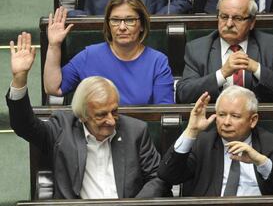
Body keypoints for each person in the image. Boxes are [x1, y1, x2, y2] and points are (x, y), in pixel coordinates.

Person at [7, 32, 171, 199]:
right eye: (101, 115)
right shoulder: (62, 128)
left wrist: (134, 205)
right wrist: (20, 79)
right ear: (82, 115)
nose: (110, 120)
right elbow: (23, 125)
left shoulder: (135, 131)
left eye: (114, 111)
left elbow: (158, 178)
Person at [158, 86, 273, 196]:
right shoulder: (202, 143)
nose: (226, 122)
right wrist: (191, 131)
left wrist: (261, 161)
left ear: (253, 120)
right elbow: (168, 175)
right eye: (221, 114)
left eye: (235, 116)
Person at [44, 0, 174, 105]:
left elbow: (163, 112)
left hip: (141, 132)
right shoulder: (90, 56)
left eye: (130, 20)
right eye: (115, 20)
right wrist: (54, 46)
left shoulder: (157, 61)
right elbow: (53, 88)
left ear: (141, 25)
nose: (122, 27)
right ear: (108, 25)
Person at [176, 0, 273, 103]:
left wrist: (256, 68)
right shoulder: (197, 49)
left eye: (237, 18)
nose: (229, 24)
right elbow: (184, 94)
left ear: (252, 22)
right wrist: (222, 74)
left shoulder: (271, 46)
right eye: (224, 17)